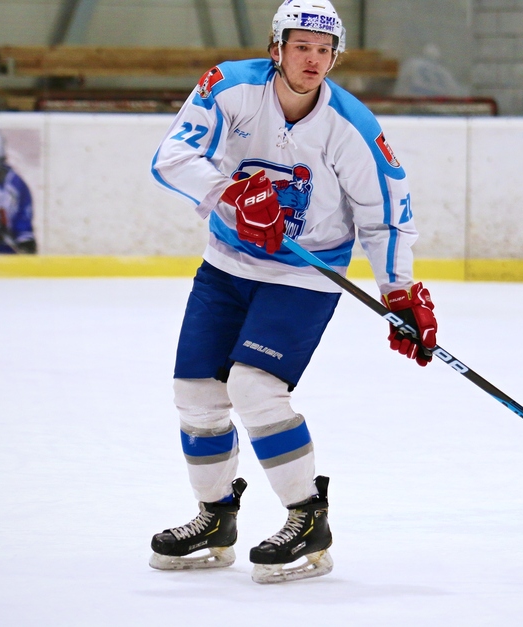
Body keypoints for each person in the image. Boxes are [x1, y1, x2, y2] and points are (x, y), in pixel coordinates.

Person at [148, 0, 438, 584]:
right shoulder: (230, 88)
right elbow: (171, 157)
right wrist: (231, 193)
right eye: (301, 46)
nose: (313, 59)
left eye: (325, 50)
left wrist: (399, 293)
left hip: (304, 275)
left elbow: (384, 215)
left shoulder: (351, 126)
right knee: (197, 394)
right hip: (226, 265)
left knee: (254, 387)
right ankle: (214, 516)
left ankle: (307, 519)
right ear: (276, 49)